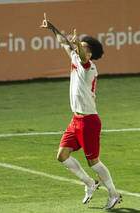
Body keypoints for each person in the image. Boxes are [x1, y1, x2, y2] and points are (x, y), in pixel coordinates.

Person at [40, 13, 122, 209]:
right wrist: (52, 27)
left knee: (94, 162)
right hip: (76, 120)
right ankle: (89, 183)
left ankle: (114, 193)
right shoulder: (76, 58)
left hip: (89, 121)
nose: (78, 47)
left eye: (83, 45)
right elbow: (63, 43)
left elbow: (82, 56)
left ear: (90, 53)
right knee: (62, 155)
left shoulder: (88, 66)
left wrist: (77, 44)